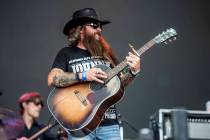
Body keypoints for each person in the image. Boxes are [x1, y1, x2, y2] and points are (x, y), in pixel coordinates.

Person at [47, 8, 141, 140]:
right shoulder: (66, 53)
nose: (99, 30)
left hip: (109, 124)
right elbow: (53, 79)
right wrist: (84, 75)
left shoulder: (106, 54)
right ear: (80, 30)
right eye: (95, 26)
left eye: (101, 26)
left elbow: (120, 85)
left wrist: (133, 71)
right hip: (80, 125)